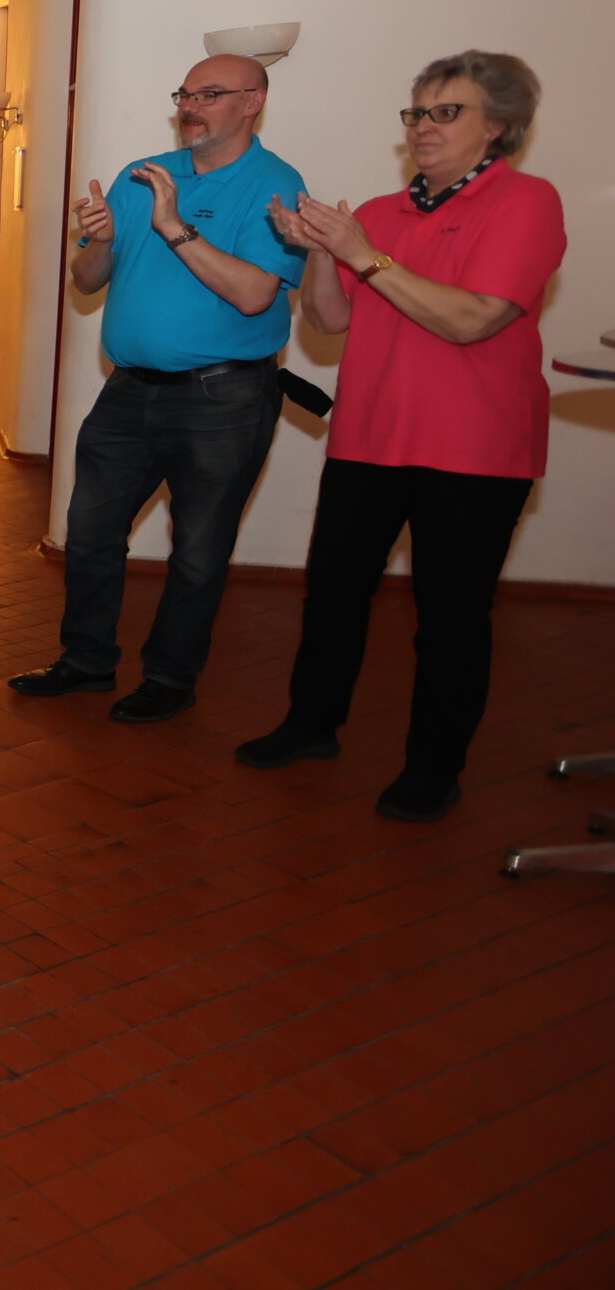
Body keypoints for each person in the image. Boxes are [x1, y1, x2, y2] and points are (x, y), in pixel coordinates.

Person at [241, 52, 565, 821]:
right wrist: (322, 251)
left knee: (449, 616)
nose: (423, 127)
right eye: (417, 112)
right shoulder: (381, 213)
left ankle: (433, 766)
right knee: (333, 594)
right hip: (369, 436)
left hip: (476, 450)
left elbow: (472, 318)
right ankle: (312, 723)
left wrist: (360, 252)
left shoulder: (526, 201)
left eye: (446, 112)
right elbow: (329, 319)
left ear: (499, 125)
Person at [10, 55, 308, 721]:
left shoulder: (275, 186)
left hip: (222, 401)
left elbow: (255, 294)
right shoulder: (141, 175)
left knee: (198, 550)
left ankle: (170, 678)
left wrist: (173, 225)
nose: (189, 107)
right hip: (127, 393)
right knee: (89, 532)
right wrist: (99, 241)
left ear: (253, 101)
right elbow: (88, 280)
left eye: (209, 94)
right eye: (185, 94)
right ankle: (86, 660)